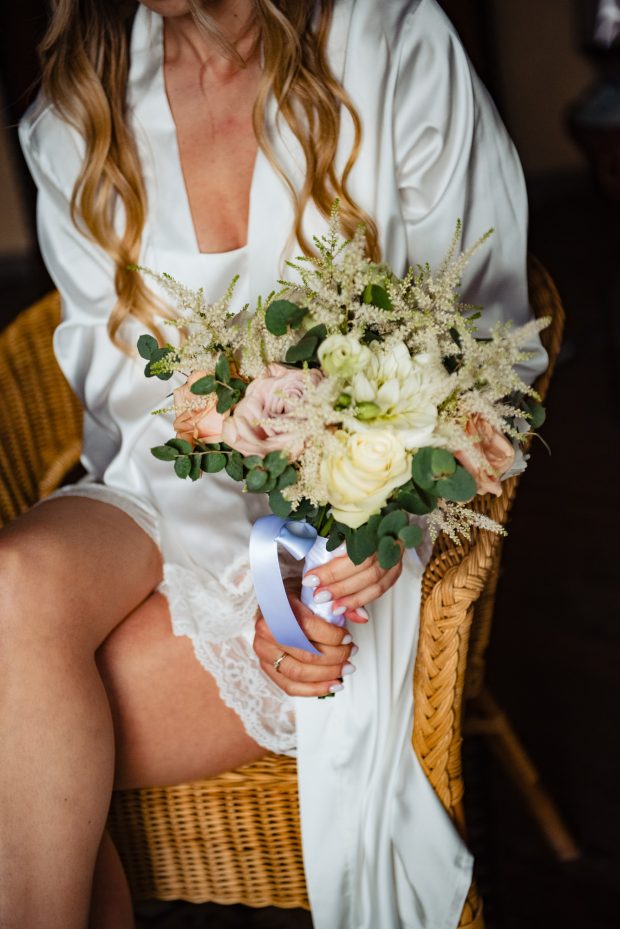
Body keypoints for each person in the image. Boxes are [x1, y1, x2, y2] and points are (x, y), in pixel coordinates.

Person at [4, 1, 547, 927]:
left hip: (353, 534)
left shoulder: (391, 43)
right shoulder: (75, 113)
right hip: (162, 484)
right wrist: (223, 407)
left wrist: (358, 532)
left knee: (24, 722)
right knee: (13, 583)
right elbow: (125, 393)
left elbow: (487, 348)